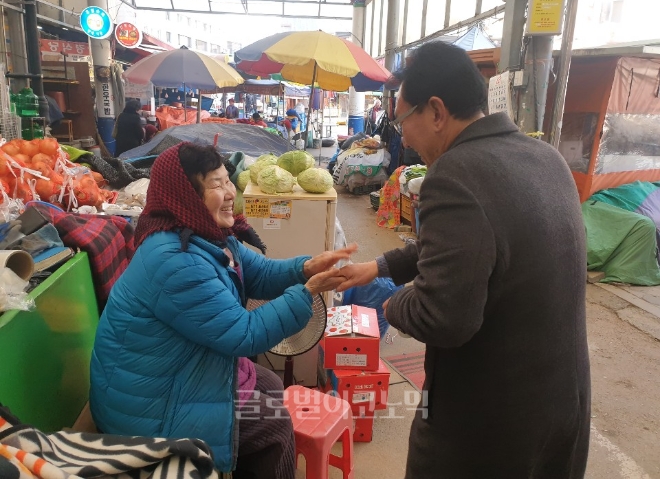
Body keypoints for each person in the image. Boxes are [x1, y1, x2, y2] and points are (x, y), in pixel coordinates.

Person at [336, 42, 591, 478]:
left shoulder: (455, 174)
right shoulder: (544, 157)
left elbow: (442, 318)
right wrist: (378, 268)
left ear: (436, 111)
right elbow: (473, 244)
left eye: (402, 121)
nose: (404, 137)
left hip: (488, 427)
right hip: (561, 409)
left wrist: (383, 299)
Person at [89, 142, 355, 478]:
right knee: (272, 424)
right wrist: (308, 292)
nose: (230, 192)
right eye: (216, 184)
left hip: (173, 374)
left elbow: (260, 273)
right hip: (146, 407)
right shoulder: (173, 259)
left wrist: (306, 268)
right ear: (184, 195)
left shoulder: (208, 237)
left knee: (270, 385)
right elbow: (244, 334)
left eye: (228, 180)